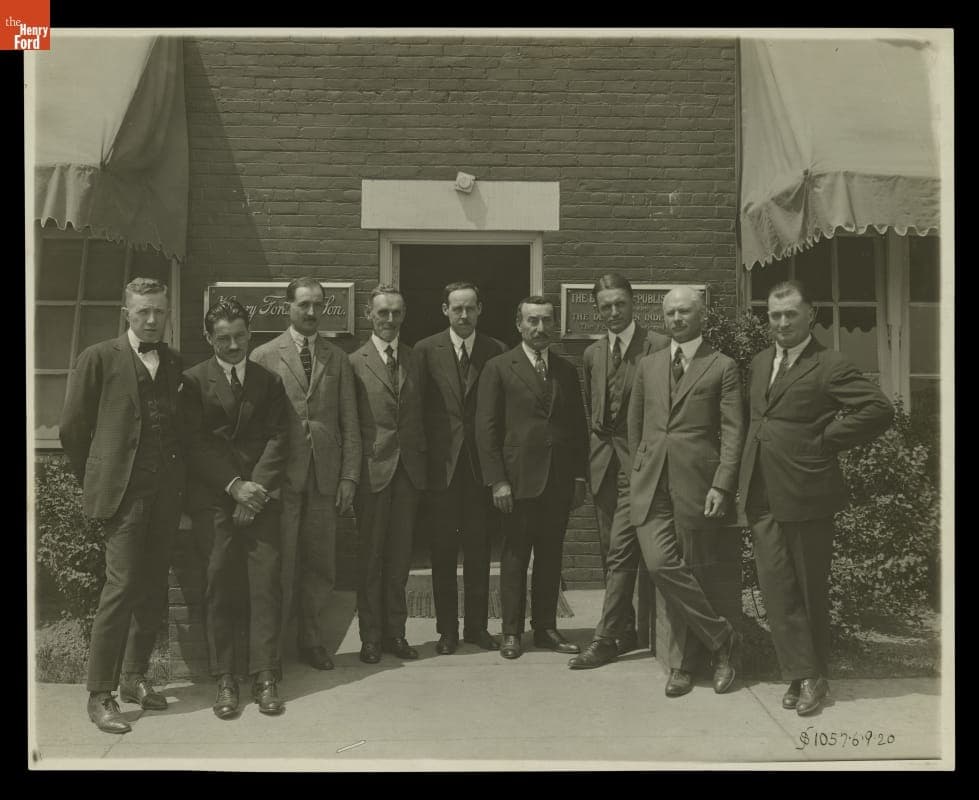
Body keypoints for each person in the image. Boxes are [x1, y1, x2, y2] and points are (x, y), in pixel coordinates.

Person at [572, 286, 744, 699]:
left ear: (702, 315)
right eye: (670, 313)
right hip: (647, 484)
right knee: (660, 563)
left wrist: (722, 482)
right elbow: (635, 428)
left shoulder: (722, 366)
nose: (676, 319)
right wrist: (635, 474)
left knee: (687, 567)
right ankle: (722, 636)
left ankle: (683, 666)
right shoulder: (648, 365)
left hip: (695, 484)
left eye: (685, 312)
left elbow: (734, 431)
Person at [739, 280, 894, 716]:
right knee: (776, 590)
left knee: (808, 589)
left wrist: (825, 440)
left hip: (807, 492)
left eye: (791, 314)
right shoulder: (759, 362)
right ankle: (799, 672)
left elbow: (878, 409)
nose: (782, 322)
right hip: (762, 493)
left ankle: (813, 676)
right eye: (774, 315)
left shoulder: (830, 364)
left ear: (812, 315)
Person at [60, 277, 185, 734]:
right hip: (123, 498)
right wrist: (97, 482)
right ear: (126, 313)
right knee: (121, 588)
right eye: (143, 311)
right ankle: (100, 694)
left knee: (152, 588)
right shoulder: (98, 358)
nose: (152, 319)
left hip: (165, 496)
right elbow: (73, 430)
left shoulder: (173, 363)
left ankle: (134, 678)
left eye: (159, 312)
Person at [183, 299, 289, 718]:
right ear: (209, 339)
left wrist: (255, 489)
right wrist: (234, 487)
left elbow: (280, 438)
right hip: (215, 497)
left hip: (260, 497)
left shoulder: (269, 382)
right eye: (223, 338)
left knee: (266, 584)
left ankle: (265, 676)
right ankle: (225, 678)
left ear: (250, 335)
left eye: (240, 336)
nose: (232, 345)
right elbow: (194, 442)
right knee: (218, 580)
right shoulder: (192, 382)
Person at [251, 277, 361, 671]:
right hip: (281, 481)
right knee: (280, 565)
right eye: (304, 305)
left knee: (320, 564)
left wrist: (349, 476)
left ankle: (312, 640)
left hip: (324, 480)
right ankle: (273, 650)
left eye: (318, 305)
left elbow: (350, 422)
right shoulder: (264, 356)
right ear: (288, 308)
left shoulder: (338, 358)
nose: (312, 312)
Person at [476, 296, 588, 660]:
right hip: (517, 481)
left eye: (546, 321)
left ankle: (545, 628)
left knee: (551, 557)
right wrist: (498, 481)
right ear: (519, 325)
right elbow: (487, 428)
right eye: (533, 321)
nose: (540, 329)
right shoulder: (499, 367)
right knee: (514, 557)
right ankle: (511, 631)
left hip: (557, 481)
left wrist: (578, 478)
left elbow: (576, 428)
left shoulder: (566, 370)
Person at [413, 282, 506, 654]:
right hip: (442, 470)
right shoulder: (424, 351)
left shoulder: (496, 351)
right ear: (445, 310)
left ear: (480, 309)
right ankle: (447, 630)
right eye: (457, 309)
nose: (463, 315)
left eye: (470, 308)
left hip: (480, 470)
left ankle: (477, 628)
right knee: (442, 552)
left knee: (480, 551)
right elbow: (416, 411)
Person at [579, 273, 669, 655]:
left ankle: (604, 637)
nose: (613, 312)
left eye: (620, 304)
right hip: (603, 464)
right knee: (608, 549)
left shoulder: (658, 346)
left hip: (640, 466)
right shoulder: (593, 354)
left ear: (633, 303)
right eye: (605, 307)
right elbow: (592, 410)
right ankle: (625, 630)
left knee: (622, 548)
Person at [349, 285, 427, 663]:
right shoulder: (354, 362)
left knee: (399, 560)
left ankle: (396, 633)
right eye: (383, 313)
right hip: (372, 472)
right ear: (370, 315)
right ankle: (371, 638)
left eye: (396, 313)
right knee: (371, 559)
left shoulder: (416, 359)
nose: (390, 320)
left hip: (408, 474)